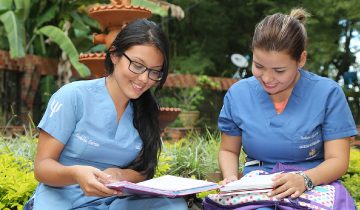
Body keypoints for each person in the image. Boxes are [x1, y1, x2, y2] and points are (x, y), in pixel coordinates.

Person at [27, 18, 188, 210]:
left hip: (114, 203)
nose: (145, 79)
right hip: (61, 202)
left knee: (173, 205)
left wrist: (121, 176)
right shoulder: (73, 96)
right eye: (137, 65)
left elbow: (143, 170)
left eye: (155, 72)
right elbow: (42, 167)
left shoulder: (147, 109)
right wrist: (76, 173)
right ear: (114, 55)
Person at [217, 8, 358, 210]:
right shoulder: (238, 94)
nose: (267, 78)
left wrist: (304, 179)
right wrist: (231, 178)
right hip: (258, 189)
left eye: (279, 70)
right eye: (259, 66)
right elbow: (229, 149)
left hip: (314, 184)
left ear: (301, 60)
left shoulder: (328, 93)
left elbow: (338, 160)